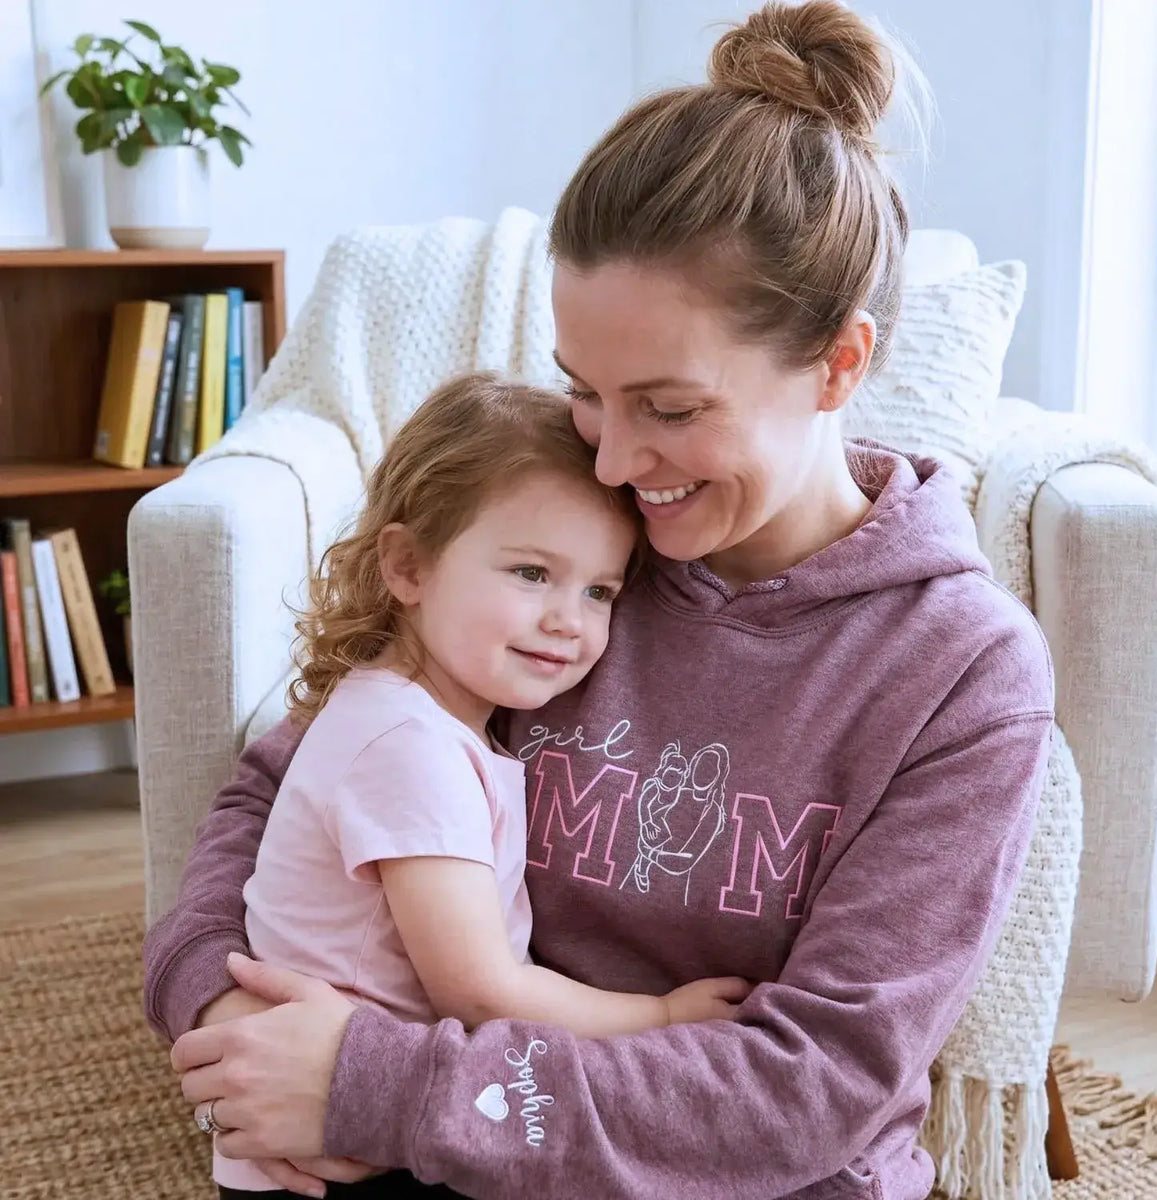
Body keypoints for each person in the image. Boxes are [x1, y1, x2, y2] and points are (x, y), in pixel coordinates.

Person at [147, 3, 1056, 1197]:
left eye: (671, 408)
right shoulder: (566, 541)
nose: (618, 461)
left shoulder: (962, 671)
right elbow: (288, 778)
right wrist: (223, 1001)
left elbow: (813, 1087)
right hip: (451, 1140)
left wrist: (382, 1086)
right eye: (587, 391)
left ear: (840, 363)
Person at [204, 373, 750, 1198]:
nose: (570, 618)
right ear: (408, 564)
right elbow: (481, 989)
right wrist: (663, 1019)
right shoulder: (409, 748)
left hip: (368, 1108)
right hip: (336, 1146)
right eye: (532, 573)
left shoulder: (420, 716)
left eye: (599, 590)